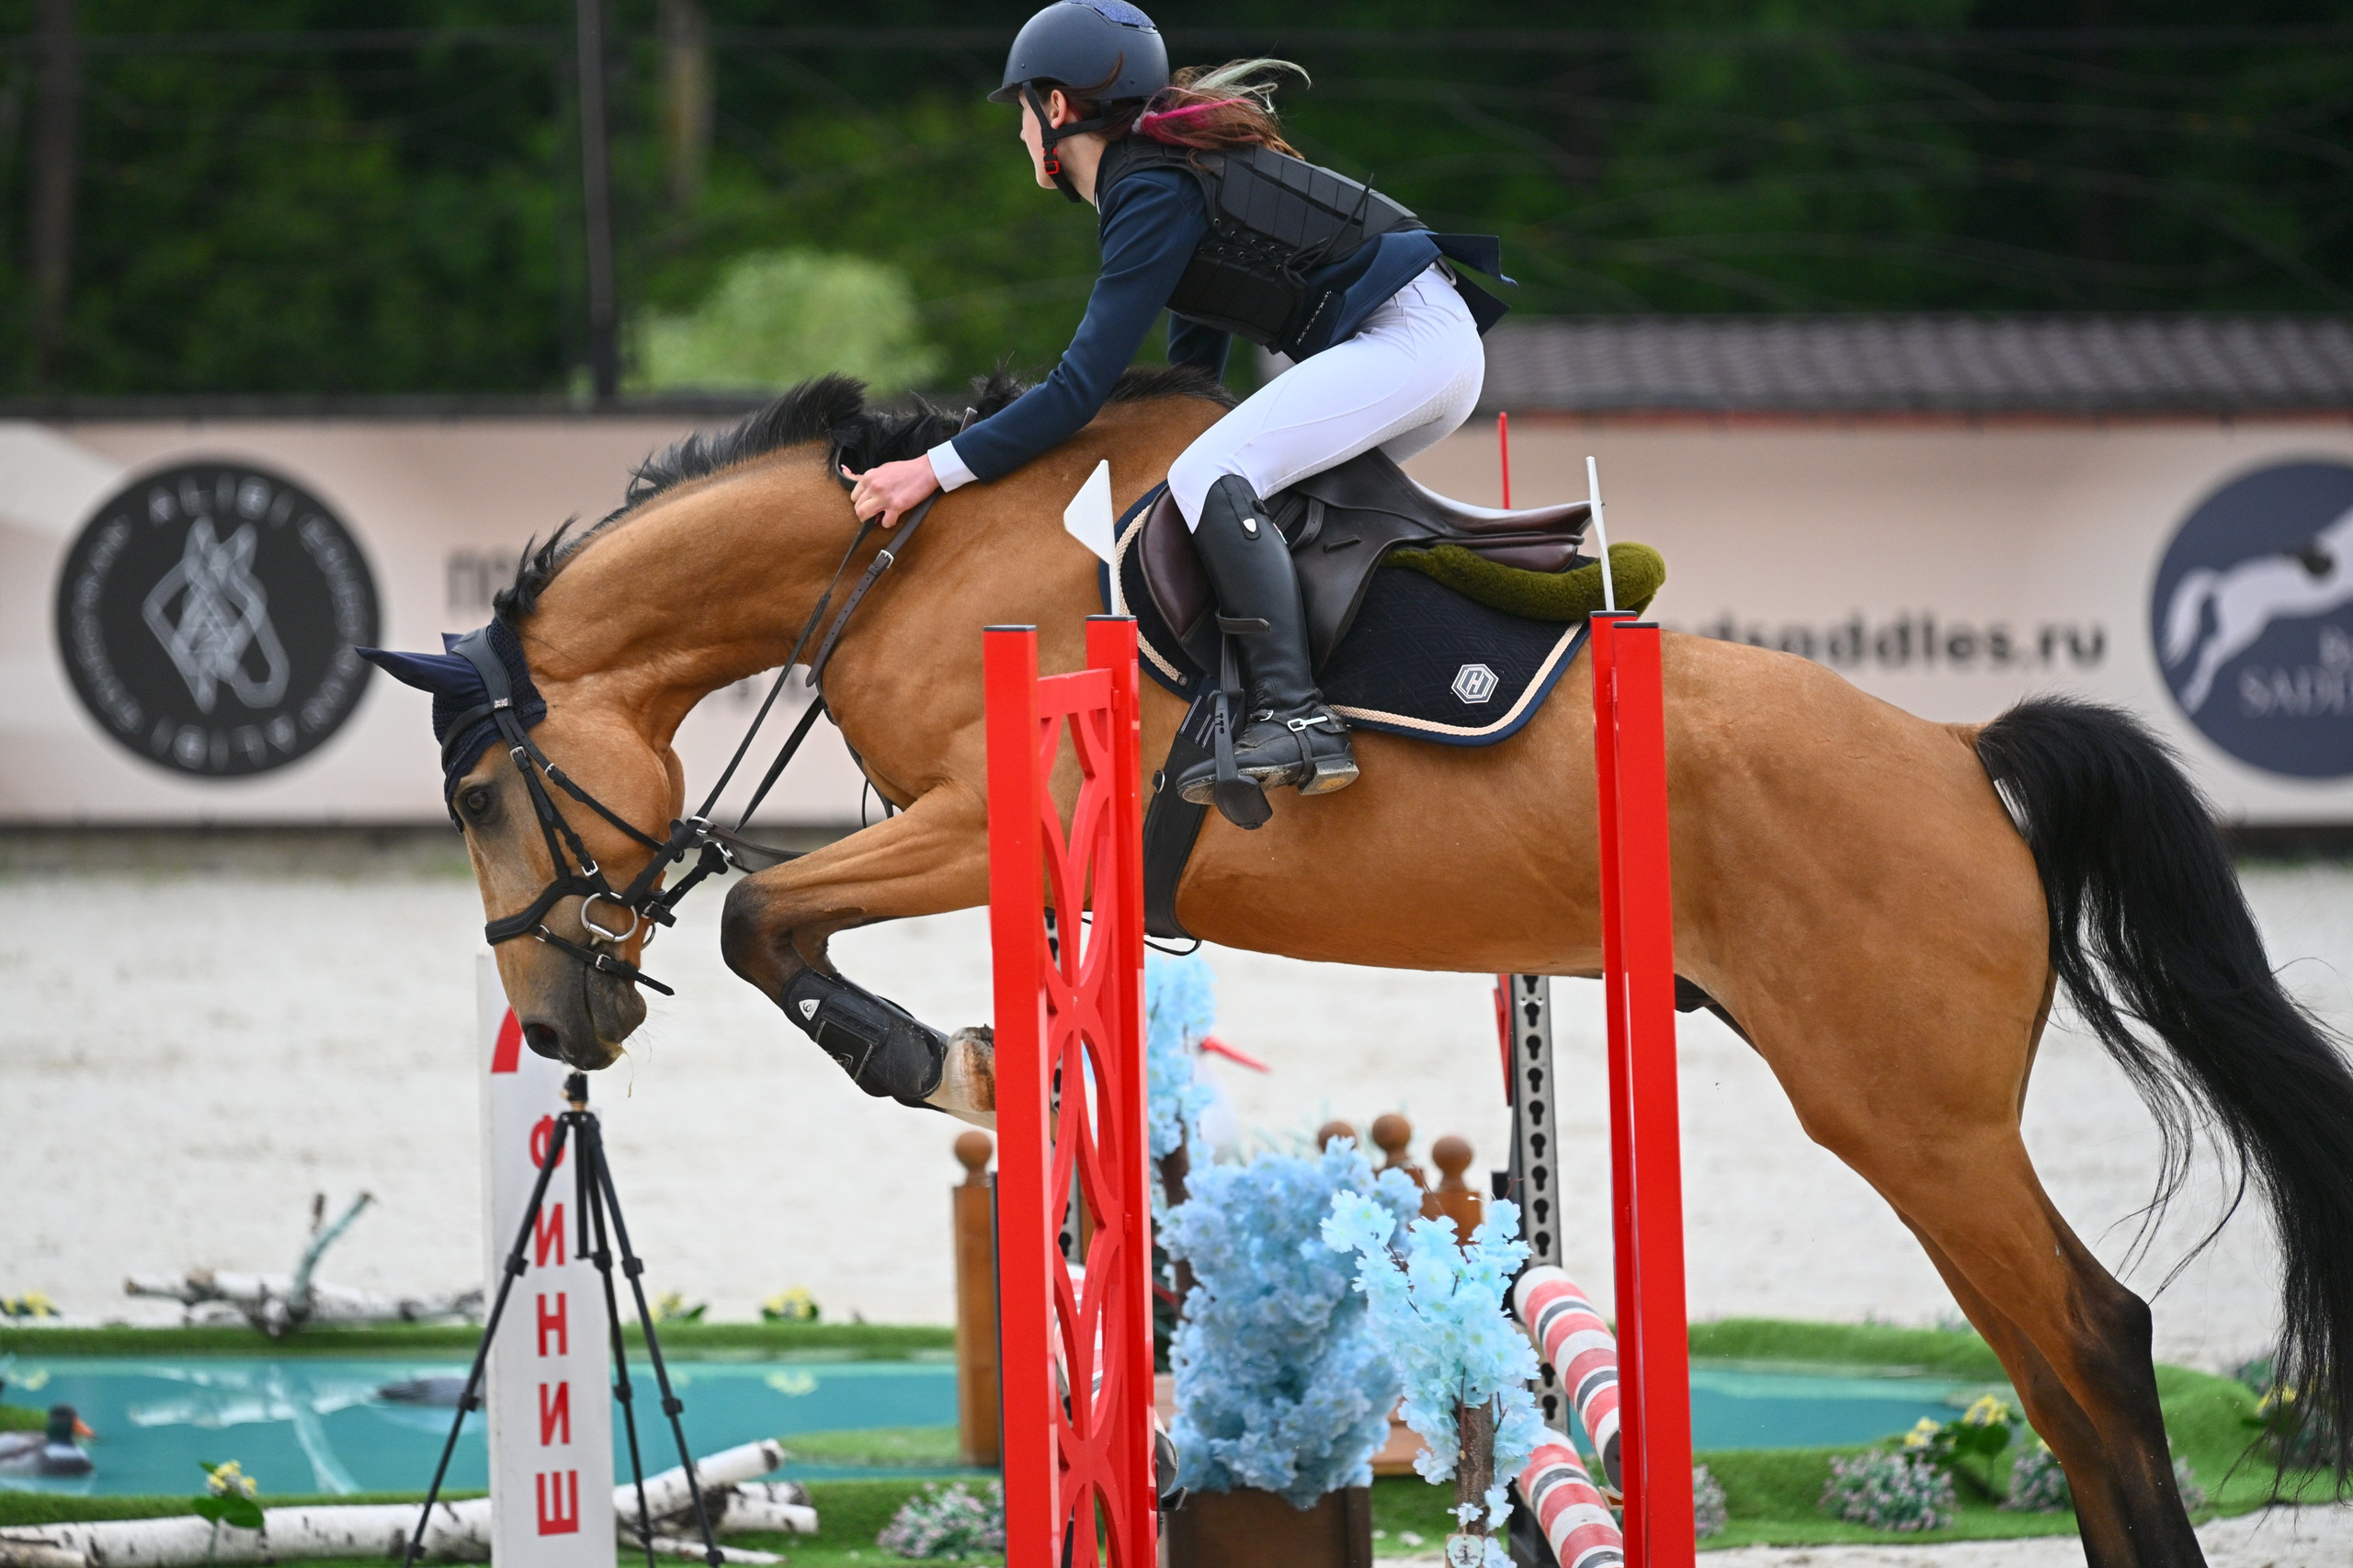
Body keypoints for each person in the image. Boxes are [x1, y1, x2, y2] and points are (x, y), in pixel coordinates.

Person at [843, 0, 1506, 806]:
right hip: (1416, 347)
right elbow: (1197, 360)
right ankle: (1289, 698)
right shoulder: (1164, 174)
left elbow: (1078, 388)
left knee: (1210, 475)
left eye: (1021, 111)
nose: (1020, 132)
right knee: (1219, 487)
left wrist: (932, 469)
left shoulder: (1151, 187)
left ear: (1055, 109)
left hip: (1408, 343)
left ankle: (1297, 716)